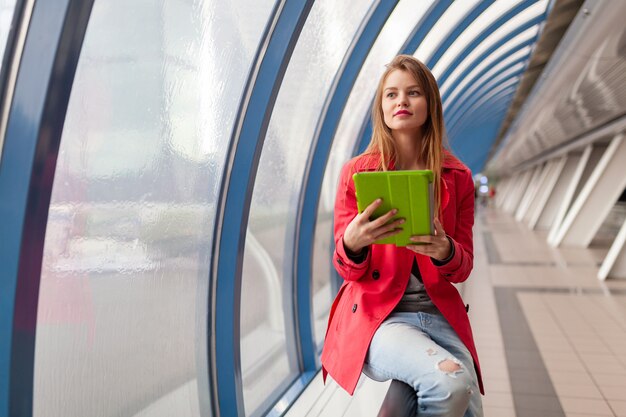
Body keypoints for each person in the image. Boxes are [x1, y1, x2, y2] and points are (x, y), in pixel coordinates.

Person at [321, 55, 484, 417]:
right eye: (391, 94)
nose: (402, 102)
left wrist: (445, 250)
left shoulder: (457, 178)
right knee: (451, 383)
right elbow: (345, 267)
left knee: (469, 408)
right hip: (380, 317)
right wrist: (354, 242)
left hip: (439, 313)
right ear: (381, 108)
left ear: (430, 104)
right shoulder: (358, 174)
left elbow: (462, 268)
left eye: (413, 93)